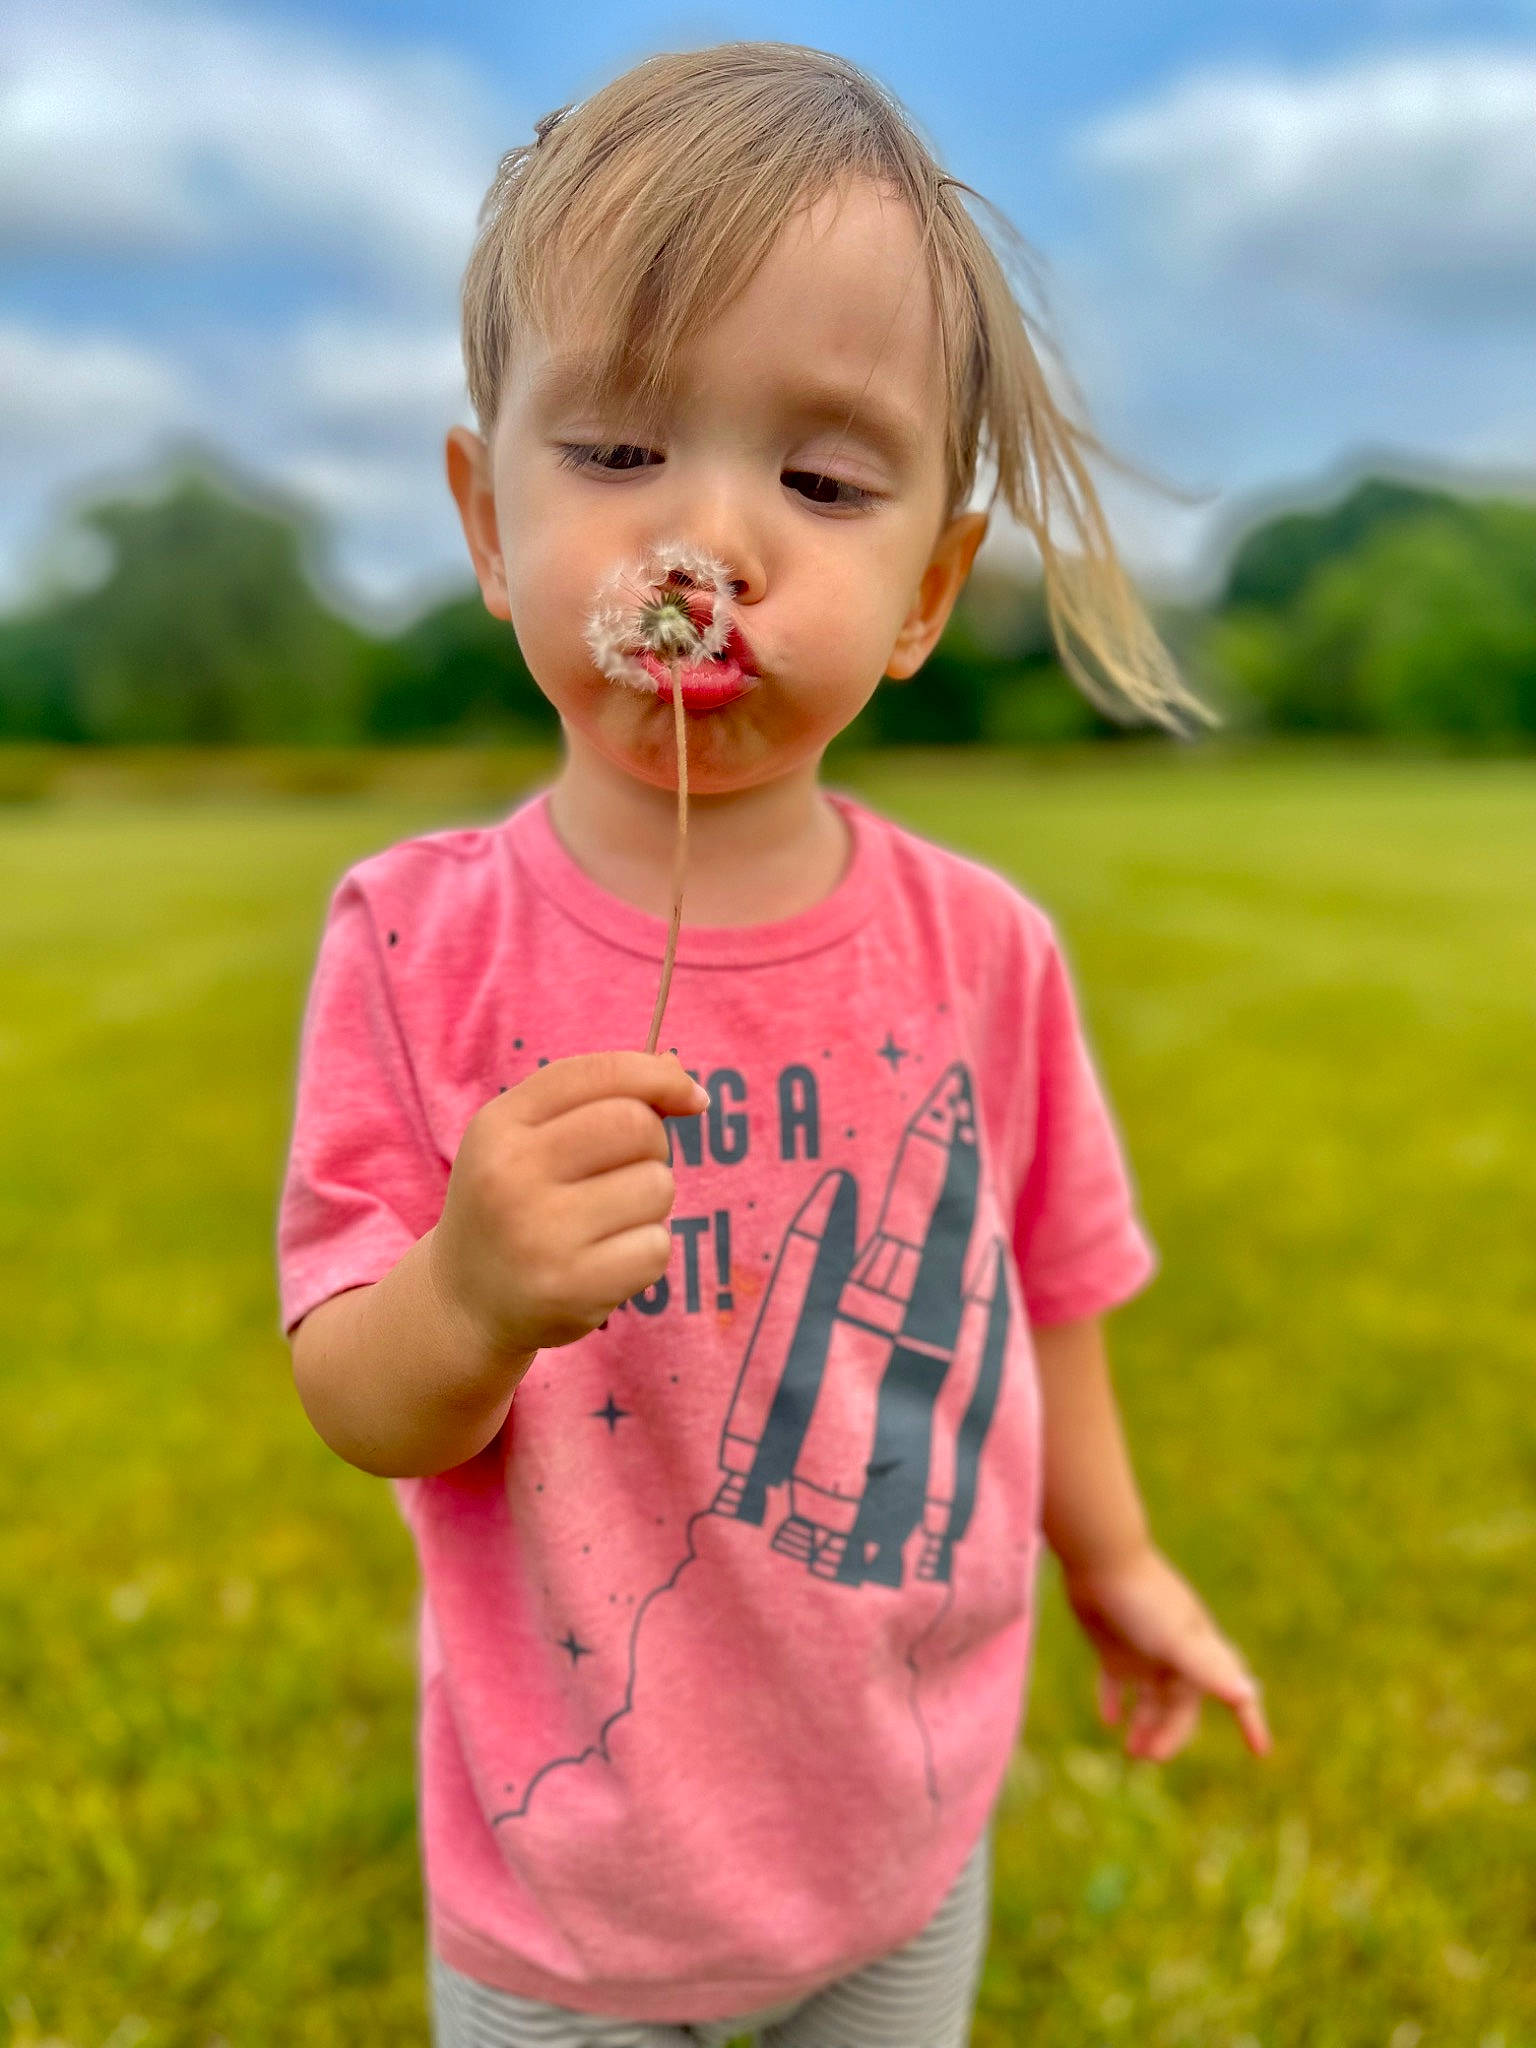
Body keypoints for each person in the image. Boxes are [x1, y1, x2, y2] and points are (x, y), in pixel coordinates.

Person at [275, 41, 1271, 2048]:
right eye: (621, 453)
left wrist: (1125, 1556)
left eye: (822, 482)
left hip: (899, 1816)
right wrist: (467, 1290)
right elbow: (360, 1396)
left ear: (927, 589)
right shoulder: (412, 938)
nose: (713, 539)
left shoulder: (980, 950)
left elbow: (1044, 1294)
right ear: (485, 512)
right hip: (568, 1866)